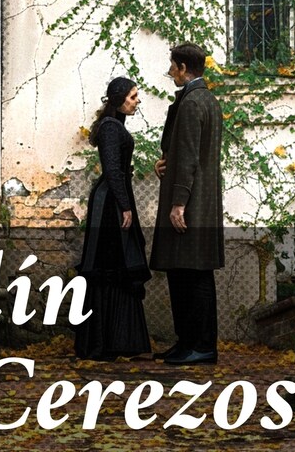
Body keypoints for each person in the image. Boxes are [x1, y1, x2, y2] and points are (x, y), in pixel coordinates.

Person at [150, 42, 224, 365]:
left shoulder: (194, 103)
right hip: (197, 199)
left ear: (183, 67)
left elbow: (193, 158)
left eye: (172, 67)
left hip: (192, 203)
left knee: (194, 275)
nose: (169, 73)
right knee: (183, 274)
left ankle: (202, 346)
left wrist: (179, 202)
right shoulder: (202, 99)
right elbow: (184, 152)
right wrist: (165, 161)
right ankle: (187, 343)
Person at [75, 77, 151, 360]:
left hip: (114, 199)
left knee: (117, 264)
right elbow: (112, 170)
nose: (137, 101)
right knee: (110, 264)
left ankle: (116, 341)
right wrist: (125, 206)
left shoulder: (115, 125)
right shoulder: (110, 128)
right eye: (132, 96)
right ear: (119, 99)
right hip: (110, 203)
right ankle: (102, 343)